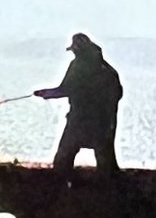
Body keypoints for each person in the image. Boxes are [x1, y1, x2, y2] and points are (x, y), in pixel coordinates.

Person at [35, 32, 123, 174]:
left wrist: (47, 93)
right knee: (105, 161)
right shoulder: (108, 71)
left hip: (80, 119)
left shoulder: (78, 66)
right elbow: (117, 94)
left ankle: (59, 185)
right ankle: (109, 186)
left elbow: (65, 89)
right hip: (104, 122)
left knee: (64, 157)